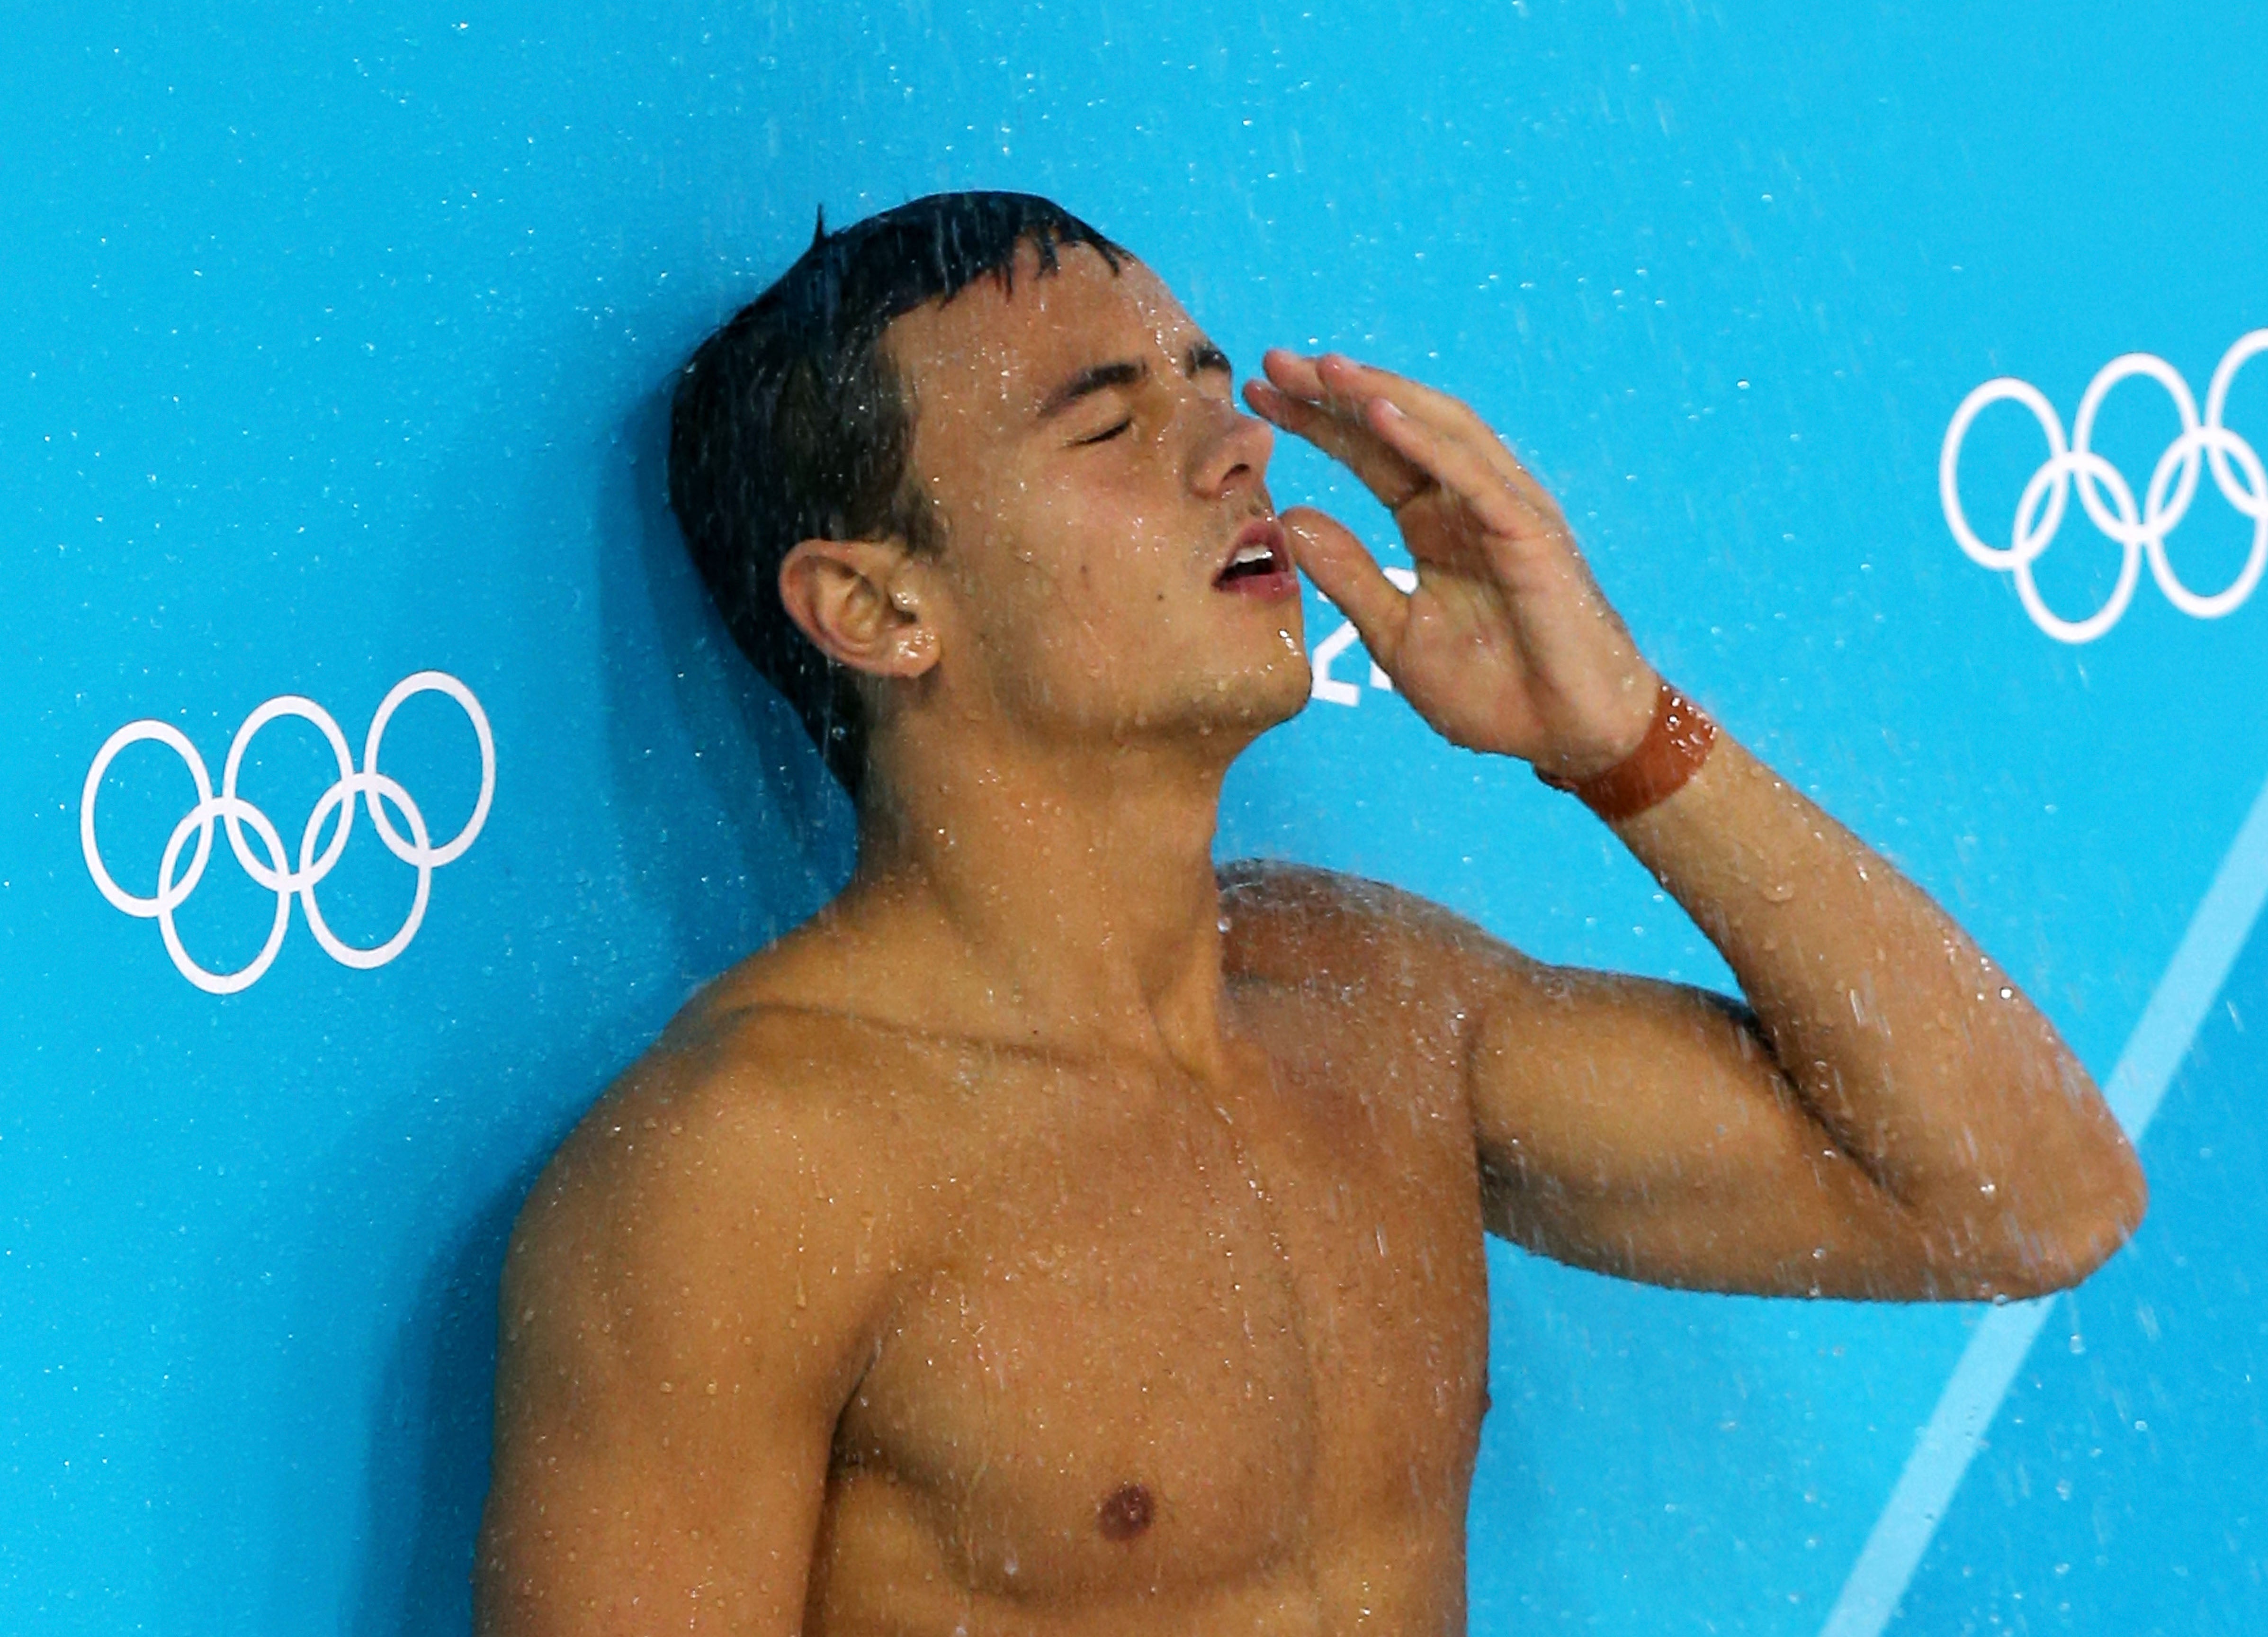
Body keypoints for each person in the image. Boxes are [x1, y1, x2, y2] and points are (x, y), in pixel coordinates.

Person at [473, 192, 2144, 1636]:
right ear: (877, 605)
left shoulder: (1372, 1003)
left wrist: (1624, 735)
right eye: (1107, 422)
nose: (1237, 446)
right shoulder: (746, 1174)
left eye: (1211, 384)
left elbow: (2026, 1202)